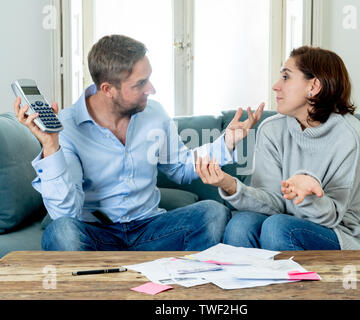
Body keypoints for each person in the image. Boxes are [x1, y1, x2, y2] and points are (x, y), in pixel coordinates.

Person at [14, 34, 264, 251]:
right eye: (140, 84)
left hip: (150, 230)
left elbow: (180, 166)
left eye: (149, 79)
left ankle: (182, 282)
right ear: (108, 89)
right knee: (61, 232)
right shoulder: (66, 126)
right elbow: (66, 214)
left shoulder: (155, 114)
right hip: (96, 234)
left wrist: (228, 141)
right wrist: (51, 146)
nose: (151, 89)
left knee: (213, 212)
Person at [196, 46, 360, 251]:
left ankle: (294, 284)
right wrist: (230, 185)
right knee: (240, 226)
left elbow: (331, 216)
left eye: (286, 77)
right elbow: (273, 204)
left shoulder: (350, 135)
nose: (276, 86)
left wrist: (308, 194)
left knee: (278, 228)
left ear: (313, 86)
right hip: (289, 221)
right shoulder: (272, 129)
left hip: (347, 233)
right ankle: (250, 284)